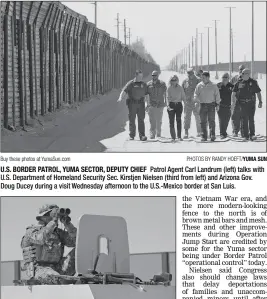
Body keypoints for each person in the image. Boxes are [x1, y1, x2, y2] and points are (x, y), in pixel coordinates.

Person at [21, 204, 77, 284]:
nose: (57, 218)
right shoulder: (31, 231)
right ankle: (60, 279)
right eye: (53, 214)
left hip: (57, 268)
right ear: (44, 217)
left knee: (79, 250)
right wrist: (53, 221)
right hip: (39, 269)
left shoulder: (58, 233)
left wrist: (67, 224)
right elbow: (41, 239)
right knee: (54, 277)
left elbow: (76, 241)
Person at [232, 68, 262, 141]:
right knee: (244, 119)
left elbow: (258, 92)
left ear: (248, 74)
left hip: (251, 104)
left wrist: (260, 101)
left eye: (243, 73)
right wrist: (233, 101)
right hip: (242, 104)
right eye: (241, 73)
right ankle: (245, 135)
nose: (241, 75)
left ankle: (252, 134)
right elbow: (234, 92)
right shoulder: (239, 82)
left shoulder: (253, 82)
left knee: (251, 119)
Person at [118, 70, 148, 141]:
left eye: (142, 76)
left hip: (141, 104)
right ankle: (132, 135)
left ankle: (142, 136)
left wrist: (148, 104)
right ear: (136, 76)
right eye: (140, 76)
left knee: (141, 120)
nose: (141, 77)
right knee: (132, 120)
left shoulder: (143, 84)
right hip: (132, 104)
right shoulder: (131, 83)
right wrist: (120, 97)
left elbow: (147, 94)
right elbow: (124, 90)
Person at [194, 71, 221, 142]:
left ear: (208, 77)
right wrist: (196, 100)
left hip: (211, 105)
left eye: (204, 77)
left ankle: (212, 135)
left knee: (211, 121)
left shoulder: (214, 85)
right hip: (202, 105)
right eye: (201, 77)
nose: (202, 79)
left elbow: (217, 95)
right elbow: (195, 94)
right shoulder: (199, 85)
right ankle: (204, 136)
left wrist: (218, 104)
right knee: (203, 122)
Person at [146, 70, 167, 139]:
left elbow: (165, 93)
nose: (153, 76)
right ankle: (152, 133)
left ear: (158, 76)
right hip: (151, 104)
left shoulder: (162, 83)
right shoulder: (148, 84)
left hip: (160, 104)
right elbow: (146, 95)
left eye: (155, 75)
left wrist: (166, 102)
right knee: (152, 120)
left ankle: (158, 133)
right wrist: (147, 104)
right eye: (152, 75)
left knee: (159, 120)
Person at [182, 68, 202, 139]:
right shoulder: (185, 81)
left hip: (196, 102)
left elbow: (202, 90)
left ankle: (199, 132)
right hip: (188, 102)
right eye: (188, 74)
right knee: (187, 117)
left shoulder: (199, 80)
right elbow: (182, 91)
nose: (190, 75)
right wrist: (184, 100)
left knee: (198, 117)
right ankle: (186, 133)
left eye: (191, 73)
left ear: (193, 73)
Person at [166, 75, 186, 141]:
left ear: (177, 80)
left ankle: (179, 136)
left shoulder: (180, 88)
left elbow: (183, 97)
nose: (173, 81)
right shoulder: (169, 88)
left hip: (178, 105)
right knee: (171, 122)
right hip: (171, 105)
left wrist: (185, 103)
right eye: (172, 80)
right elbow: (167, 98)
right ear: (170, 81)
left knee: (178, 120)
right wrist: (168, 106)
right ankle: (173, 137)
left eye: (175, 80)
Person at [217, 73, 234, 139]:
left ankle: (224, 132)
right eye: (223, 77)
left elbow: (234, 96)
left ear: (228, 78)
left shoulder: (232, 86)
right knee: (221, 120)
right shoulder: (218, 85)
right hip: (220, 106)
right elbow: (214, 94)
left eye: (226, 77)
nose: (224, 79)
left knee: (226, 120)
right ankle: (222, 133)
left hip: (228, 106)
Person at [231, 64, 245, 137]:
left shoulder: (248, 78)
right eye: (240, 69)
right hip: (236, 100)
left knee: (244, 117)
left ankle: (243, 132)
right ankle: (235, 131)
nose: (241, 70)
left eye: (243, 69)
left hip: (245, 101)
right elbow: (230, 86)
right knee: (235, 116)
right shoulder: (235, 78)